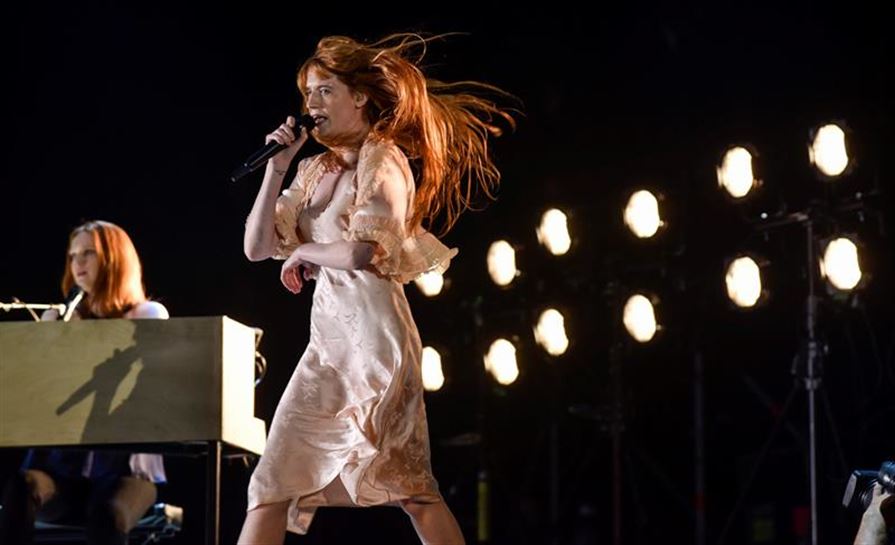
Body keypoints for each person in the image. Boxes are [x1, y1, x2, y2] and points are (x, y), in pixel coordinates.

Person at [238, 34, 514, 545]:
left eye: (323, 91)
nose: (311, 106)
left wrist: (304, 252)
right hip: (327, 349)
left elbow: (363, 251)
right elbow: (257, 247)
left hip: (378, 343)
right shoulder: (313, 168)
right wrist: (276, 169)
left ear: (359, 97)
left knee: (412, 490)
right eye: (307, 96)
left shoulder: (382, 158)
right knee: (270, 484)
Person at [0, 220, 169, 545]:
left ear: (115, 259)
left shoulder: (147, 314)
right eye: (73, 254)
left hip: (125, 469)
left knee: (107, 515)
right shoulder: (57, 319)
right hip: (62, 467)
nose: (78, 262)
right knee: (22, 485)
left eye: (89, 253)